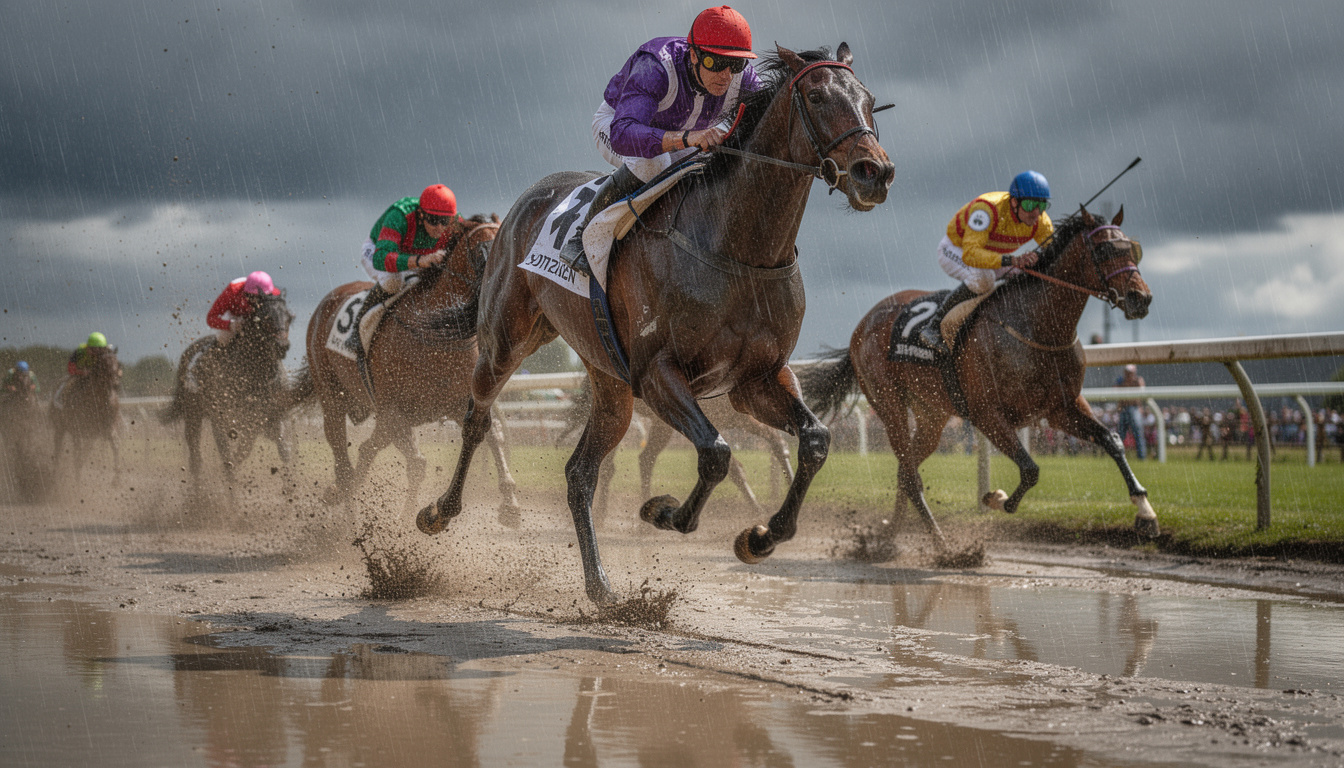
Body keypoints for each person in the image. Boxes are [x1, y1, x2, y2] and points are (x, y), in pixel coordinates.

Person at [557, 5, 763, 275]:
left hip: (681, 138)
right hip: (618, 126)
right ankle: (583, 238)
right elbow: (623, 134)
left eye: (736, 64)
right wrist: (687, 138)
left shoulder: (742, 79)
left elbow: (771, 117)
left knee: (712, 170)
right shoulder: (656, 66)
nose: (726, 75)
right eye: (714, 63)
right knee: (653, 164)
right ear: (694, 55)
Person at [919, 171, 1056, 355]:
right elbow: (971, 255)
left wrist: (1036, 259)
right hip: (955, 250)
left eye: (1042, 205)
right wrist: (1012, 260)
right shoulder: (986, 210)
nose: (1036, 213)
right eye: (1030, 204)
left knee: (1028, 274)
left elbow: (1054, 251)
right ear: (1014, 202)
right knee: (984, 279)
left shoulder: (1041, 221)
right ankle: (933, 326)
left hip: (992, 256)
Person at [346, 184, 460, 362]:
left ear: (452, 219)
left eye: (444, 221)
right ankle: (356, 331)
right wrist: (419, 261)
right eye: (433, 220)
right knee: (393, 282)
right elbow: (381, 259)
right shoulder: (399, 216)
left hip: (419, 257)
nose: (439, 227)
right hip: (378, 250)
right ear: (421, 214)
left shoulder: (456, 224)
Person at [206, 271, 282, 345]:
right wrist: (230, 325)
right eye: (254, 297)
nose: (257, 302)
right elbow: (211, 318)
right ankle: (217, 351)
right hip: (235, 318)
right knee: (224, 338)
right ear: (246, 293)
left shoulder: (275, 295)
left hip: (257, 319)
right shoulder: (232, 291)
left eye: (262, 298)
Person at [1114, 364, 1147, 459]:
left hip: (1135, 409)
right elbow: (1114, 390)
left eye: (1130, 373)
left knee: (1138, 434)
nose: (1128, 375)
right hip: (1123, 409)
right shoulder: (1120, 381)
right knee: (1120, 434)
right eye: (1127, 373)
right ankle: (1118, 456)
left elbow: (1142, 392)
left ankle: (1141, 457)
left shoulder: (1138, 380)